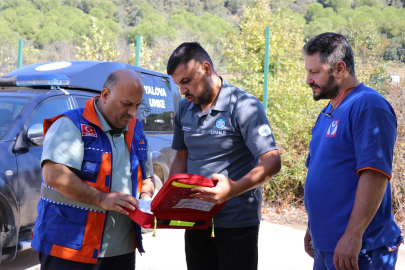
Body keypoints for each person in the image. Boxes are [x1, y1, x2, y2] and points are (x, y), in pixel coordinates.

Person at [167, 42, 281, 270]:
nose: (183, 90)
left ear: (206, 69)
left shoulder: (244, 106)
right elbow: (181, 157)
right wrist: (168, 201)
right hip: (195, 219)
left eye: (186, 81)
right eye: (179, 84)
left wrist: (232, 189)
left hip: (236, 223)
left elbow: (272, 161)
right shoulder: (183, 108)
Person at [31, 69, 155, 270]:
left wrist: (146, 196)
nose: (132, 112)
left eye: (137, 106)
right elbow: (54, 175)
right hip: (69, 248)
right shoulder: (71, 125)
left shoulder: (138, 132)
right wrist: (102, 199)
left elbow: (147, 177)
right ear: (105, 95)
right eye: (126, 104)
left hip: (121, 251)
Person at [303, 32, 403, 270]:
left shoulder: (369, 106)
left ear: (339, 68)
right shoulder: (329, 110)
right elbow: (321, 173)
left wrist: (353, 235)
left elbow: (375, 174)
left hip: (358, 249)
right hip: (326, 245)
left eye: (314, 72)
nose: (308, 80)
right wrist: (312, 227)